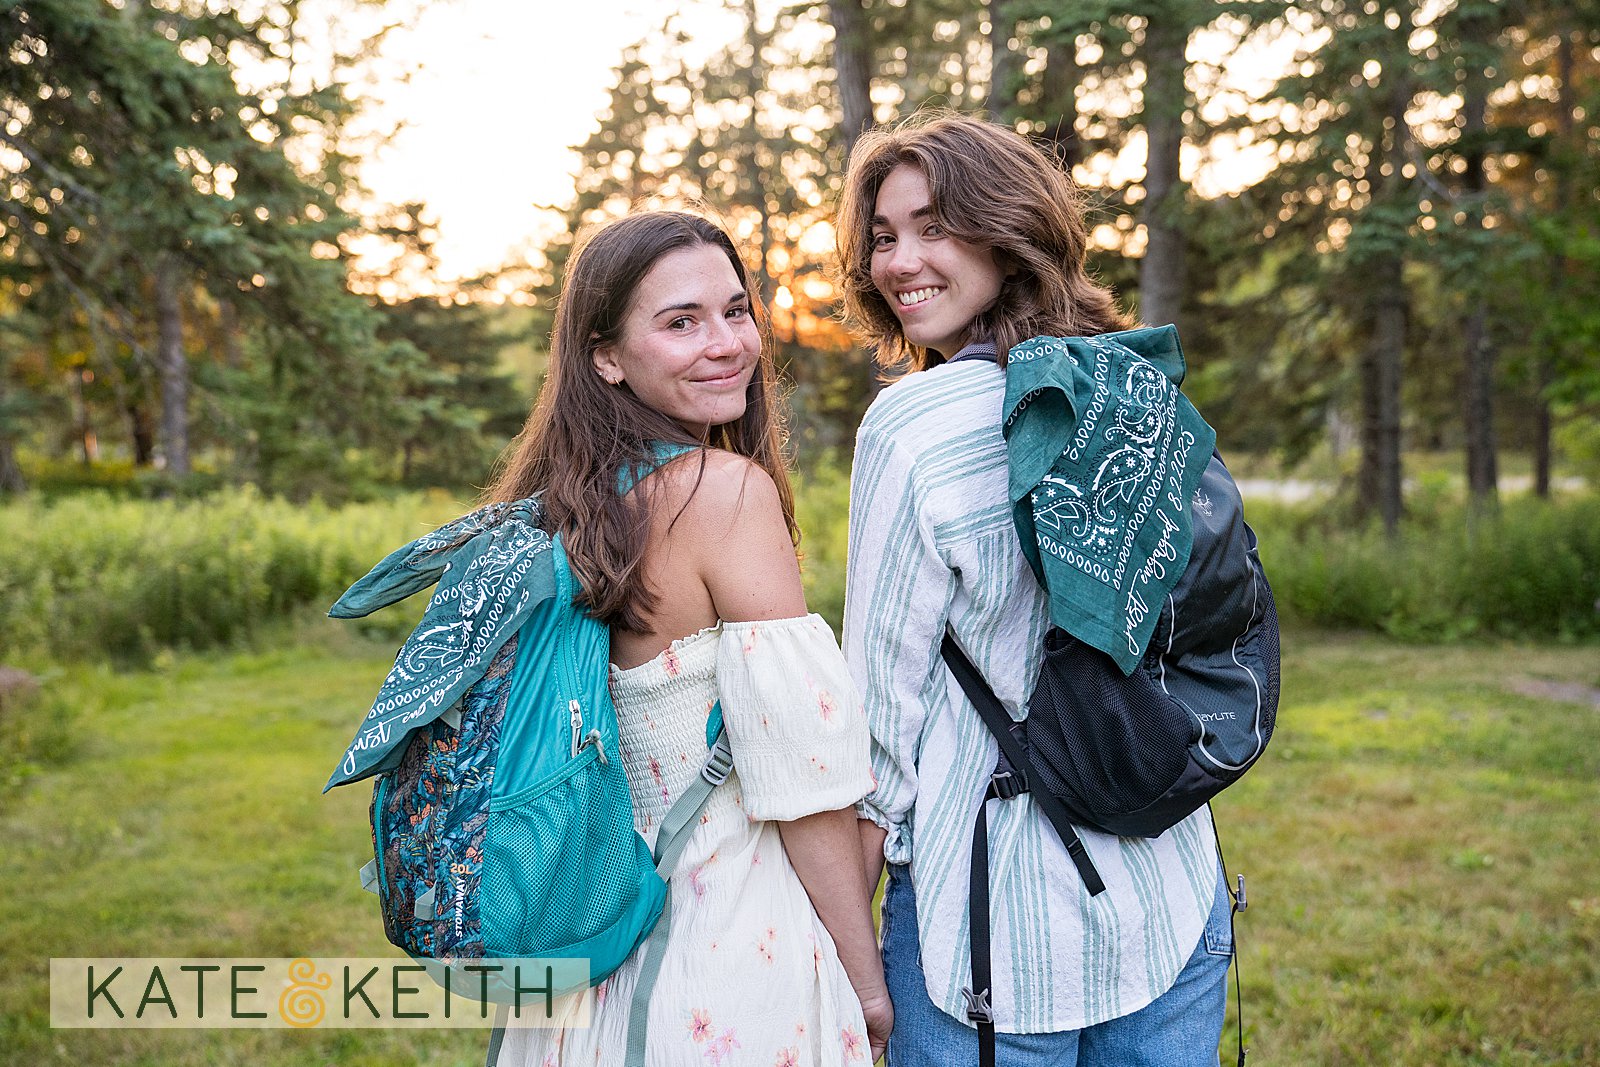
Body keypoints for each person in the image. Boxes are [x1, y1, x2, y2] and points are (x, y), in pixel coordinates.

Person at [837, 112, 1236, 1065]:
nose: (899, 262)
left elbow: (878, 737)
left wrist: (851, 958)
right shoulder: (1132, 382)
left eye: (934, 227)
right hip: (1173, 896)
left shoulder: (911, 426)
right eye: (884, 237)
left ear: (1006, 232)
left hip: (990, 944)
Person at [490, 210, 892, 1065]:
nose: (727, 343)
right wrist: (865, 986)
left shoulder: (562, 513)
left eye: (736, 311)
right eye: (681, 321)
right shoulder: (723, 494)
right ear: (605, 355)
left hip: (590, 965)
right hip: (725, 961)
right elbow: (806, 788)